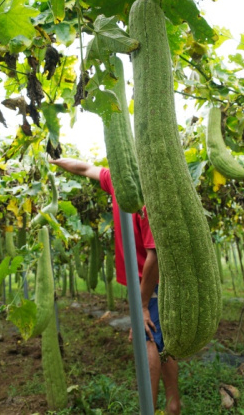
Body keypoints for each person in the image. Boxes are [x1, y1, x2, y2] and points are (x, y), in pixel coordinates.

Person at [49, 158, 181, 415]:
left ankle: (150, 410)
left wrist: (142, 304)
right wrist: (55, 160)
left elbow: (154, 255)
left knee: (148, 341)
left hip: (151, 283)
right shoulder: (117, 180)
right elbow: (85, 168)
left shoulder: (145, 197)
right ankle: (173, 403)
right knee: (161, 342)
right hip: (145, 284)